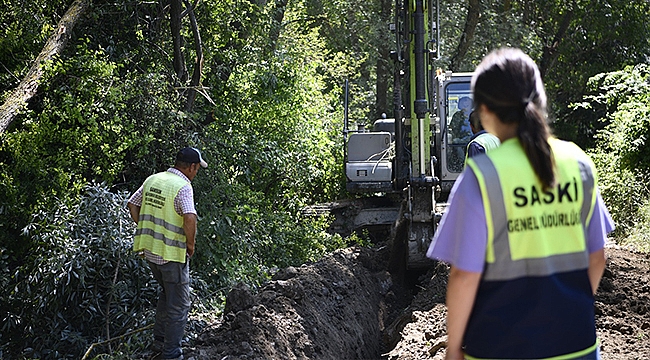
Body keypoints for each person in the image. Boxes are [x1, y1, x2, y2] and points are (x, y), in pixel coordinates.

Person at [427, 48, 614, 360]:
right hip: (577, 345)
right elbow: (597, 258)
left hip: (499, 348)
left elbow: (464, 276)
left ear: (484, 112)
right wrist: (568, 314)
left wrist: (454, 347)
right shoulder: (578, 163)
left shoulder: (481, 175)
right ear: (539, 101)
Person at [127, 147, 208, 360]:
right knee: (179, 304)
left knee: (166, 293)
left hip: (150, 251)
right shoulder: (183, 186)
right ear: (191, 167)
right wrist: (190, 245)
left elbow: (132, 204)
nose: (196, 172)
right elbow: (190, 217)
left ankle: (159, 341)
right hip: (171, 254)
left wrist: (145, 226)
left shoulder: (154, 179)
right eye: (197, 168)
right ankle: (171, 354)